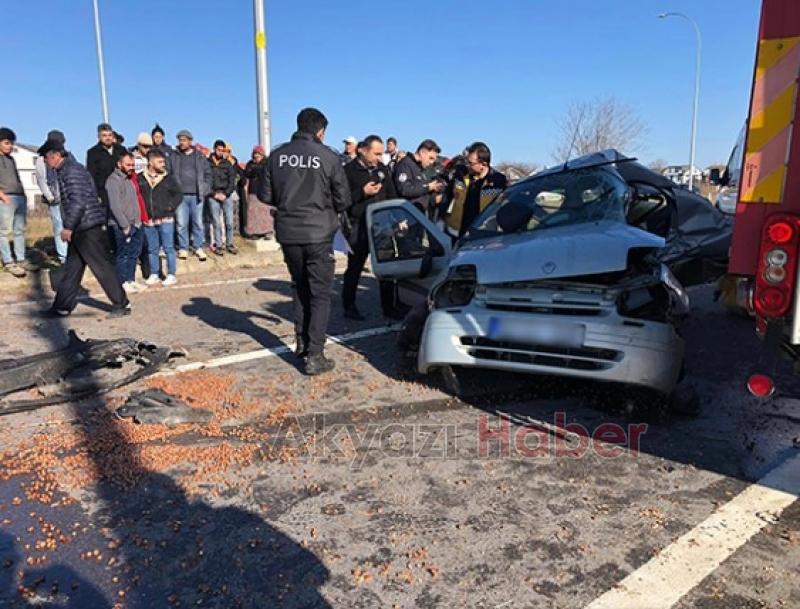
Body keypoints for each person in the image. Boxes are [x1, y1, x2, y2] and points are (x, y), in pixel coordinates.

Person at [257, 107, 351, 375]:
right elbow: (344, 199)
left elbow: (265, 195)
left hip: (288, 232)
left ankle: (301, 343)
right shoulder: (328, 157)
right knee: (320, 294)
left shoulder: (277, 156)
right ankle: (315, 354)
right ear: (320, 131)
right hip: (319, 233)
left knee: (300, 287)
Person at [38, 137, 129, 317]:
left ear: (55, 156)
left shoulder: (71, 171)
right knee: (72, 270)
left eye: (46, 158)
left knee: (101, 267)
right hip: (81, 226)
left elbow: (78, 202)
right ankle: (62, 306)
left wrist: (68, 227)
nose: (45, 162)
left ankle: (122, 303)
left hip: (87, 227)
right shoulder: (66, 170)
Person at [342, 134, 402, 320]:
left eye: (381, 154)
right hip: (358, 226)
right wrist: (362, 192)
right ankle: (349, 306)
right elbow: (341, 200)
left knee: (387, 268)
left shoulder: (382, 169)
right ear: (363, 150)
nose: (379, 157)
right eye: (376, 154)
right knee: (355, 267)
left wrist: (397, 218)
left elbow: (392, 195)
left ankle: (389, 307)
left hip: (382, 226)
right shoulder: (348, 171)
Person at [443, 141, 508, 238]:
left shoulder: (498, 181)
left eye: (471, 163)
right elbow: (447, 197)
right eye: (467, 161)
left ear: (483, 164)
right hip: (457, 233)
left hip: (483, 234)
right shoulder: (461, 175)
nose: (467, 165)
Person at [138, 149, 181, 287]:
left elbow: (178, 195)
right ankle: (154, 273)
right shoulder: (140, 178)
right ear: (150, 162)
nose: (163, 164)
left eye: (164, 161)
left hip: (166, 218)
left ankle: (171, 274)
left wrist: (170, 207)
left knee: (168, 247)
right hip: (149, 219)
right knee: (152, 248)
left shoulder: (169, 178)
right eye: (160, 161)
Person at [169, 129, 211, 261]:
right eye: (180, 140)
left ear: (190, 141)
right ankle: (183, 248)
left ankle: (198, 247)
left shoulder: (199, 156)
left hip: (197, 195)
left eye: (184, 140)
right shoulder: (174, 156)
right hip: (180, 196)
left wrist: (205, 189)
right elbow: (168, 174)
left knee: (197, 222)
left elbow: (208, 174)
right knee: (181, 223)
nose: (181, 142)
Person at [106, 151, 145, 293]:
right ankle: (122, 282)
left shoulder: (129, 179)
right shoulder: (113, 181)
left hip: (135, 223)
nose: (131, 167)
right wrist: (124, 225)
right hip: (121, 225)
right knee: (123, 254)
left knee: (134, 253)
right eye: (128, 164)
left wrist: (138, 221)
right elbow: (114, 206)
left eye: (133, 165)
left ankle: (131, 279)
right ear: (119, 164)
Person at [34, 129, 68, 265]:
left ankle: (72, 254)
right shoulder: (41, 159)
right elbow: (41, 180)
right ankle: (63, 256)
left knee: (70, 225)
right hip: (55, 199)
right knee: (59, 227)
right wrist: (50, 197)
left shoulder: (66, 156)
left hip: (67, 197)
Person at [0, 127, 29, 278]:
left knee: (19, 230)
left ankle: (21, 259)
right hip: (6, 199)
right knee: (4, 232)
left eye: (11, 143)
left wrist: (23, 195)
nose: (10, 146)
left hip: (19, 197)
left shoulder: (11, 159)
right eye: (6, 143)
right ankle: (8, 261)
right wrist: (3, 196)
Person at [393, 139, 446, 218]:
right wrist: (428, 187)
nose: (431, 162)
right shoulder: (405, 165)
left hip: (418, 215)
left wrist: (433, 198)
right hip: (407, 215)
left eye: (433, 160)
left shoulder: (420, 168)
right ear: (422, 152)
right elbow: (405, 190)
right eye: (430, 158)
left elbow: (420, 191)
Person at [207, 139, 238, 255]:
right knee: (216, 222)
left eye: (222, 150)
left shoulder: (227, 164)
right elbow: (205, 181)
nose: (220, 152)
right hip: (213, 195)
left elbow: (232, 180)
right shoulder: (207, 163)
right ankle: (218, 245)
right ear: (214, 149)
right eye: (219, 150)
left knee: (229, 222)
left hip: (226, 195)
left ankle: (230, 244)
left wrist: (226, 194)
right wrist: (214, 194)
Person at [86, 122, 127, 206]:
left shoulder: (121, 150)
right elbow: (91, 175)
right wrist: (96, 195)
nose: (108, 138)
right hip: (104, 194)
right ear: (99, 137)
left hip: (123, 191)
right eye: (104, 135)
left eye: (110, 135)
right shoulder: (93, 153)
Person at [242, 145, 272, 238]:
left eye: (258, 154)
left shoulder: (267, 163)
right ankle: (254, 232)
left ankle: (267, 231)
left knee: (265, 212)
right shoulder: (250, 164)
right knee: (253, 213)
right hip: (253, 190)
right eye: (255, 154)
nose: (256, 156)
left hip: (264, 190)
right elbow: (247, 173)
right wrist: (255, 169)